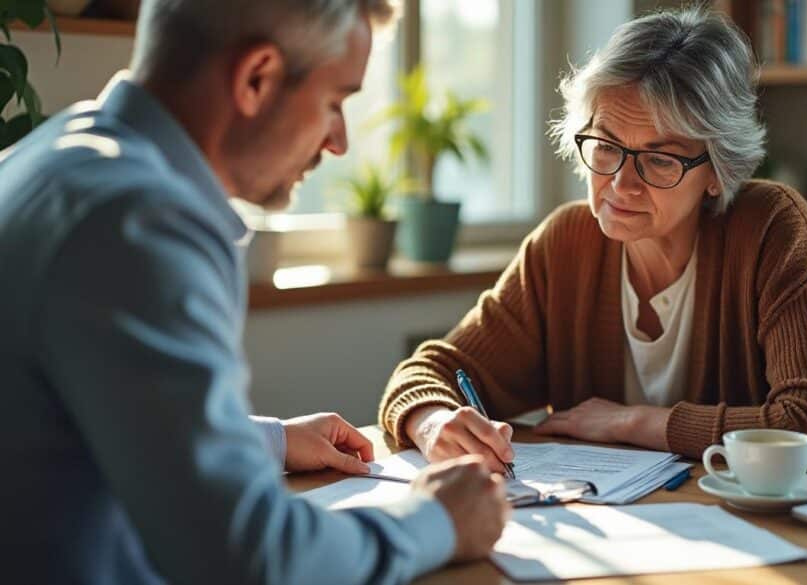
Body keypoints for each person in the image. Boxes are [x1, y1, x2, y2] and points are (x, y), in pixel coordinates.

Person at [0, 1, 508, 583]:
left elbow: (92, 417)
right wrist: (436, 521)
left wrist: (270, 440)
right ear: (256, 79)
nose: (339, 142)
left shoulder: (48, 159)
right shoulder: (140, 222)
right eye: (335, 101)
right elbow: (252, 558)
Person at [379, 7, 807, 480]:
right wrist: (433, 422)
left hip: (802, 522)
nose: (620, 184)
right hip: (630, 518)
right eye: (605, 146)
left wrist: (633, 422)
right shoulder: (564, 244)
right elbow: (427, 374)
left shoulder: (770, 227)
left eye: (659, 160)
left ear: (717, 169)